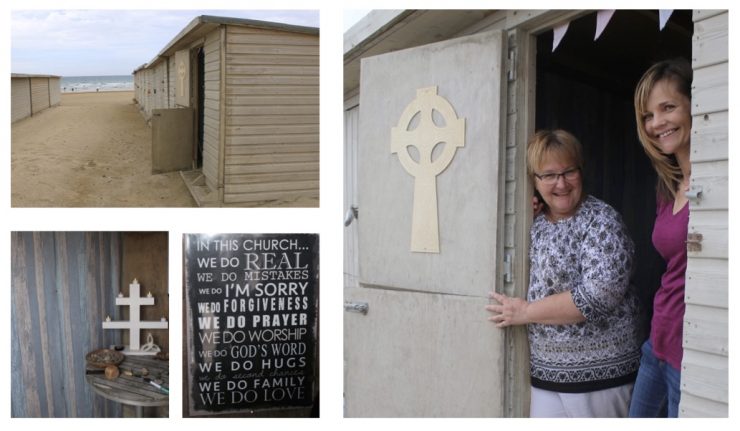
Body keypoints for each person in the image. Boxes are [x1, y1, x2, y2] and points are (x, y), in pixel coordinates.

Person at [486, 129, 641, 417]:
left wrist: (526, 312)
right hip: (546, 373)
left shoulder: (601, 221)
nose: (561, 183)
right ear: (534, 181)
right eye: (548, 175)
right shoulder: (534, 222)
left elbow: (599, 295)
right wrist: (525, 216)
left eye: (569, 171)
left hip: (600, 376)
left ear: (581, 172)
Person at [628, 58, 692, 418]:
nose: (657, 123)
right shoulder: (668, 187)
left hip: (691, 353)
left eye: (668, 107)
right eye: (649, 115)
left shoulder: (720, 183)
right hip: (658, 343)